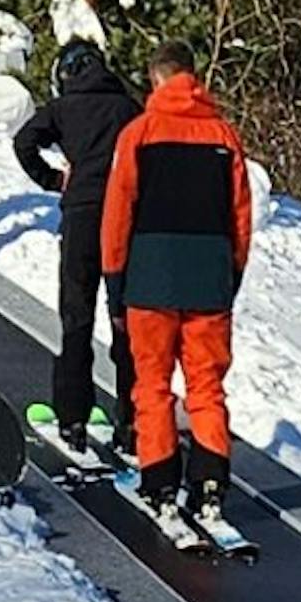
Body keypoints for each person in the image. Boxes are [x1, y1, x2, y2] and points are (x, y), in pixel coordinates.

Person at [100, 40, 253, 529]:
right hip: (209, 274)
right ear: (195, 78)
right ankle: (210, 482)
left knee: (153, 385)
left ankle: (160, 480)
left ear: (155, 79)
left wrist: (116, 281)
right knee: (207, 386)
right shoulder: (224, 135)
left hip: (151, 274)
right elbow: (241, 215)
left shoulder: (139, 133)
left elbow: (118, 214)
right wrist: (231, 273)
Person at [11, 36, 143, 454]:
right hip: (124, 215)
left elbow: (23, 141)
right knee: (125, 321)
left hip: (82, 211)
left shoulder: (64, 107)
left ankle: (72, 415)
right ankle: (132, 417)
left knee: (77, 315)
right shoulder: (126, 107)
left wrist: (52, 180)